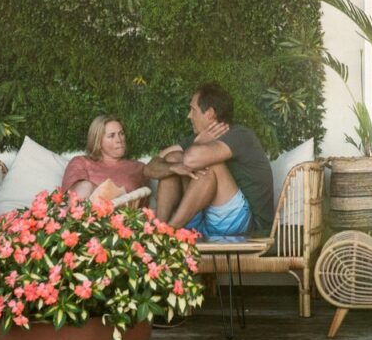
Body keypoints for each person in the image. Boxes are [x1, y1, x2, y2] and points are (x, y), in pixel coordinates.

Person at [144, 83, 273, 240]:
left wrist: (197, 144)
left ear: (210, 113)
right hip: (204, 220)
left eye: (193, 110)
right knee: (173, 159)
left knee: (211, 165)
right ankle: (157, 231)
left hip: (246, 226)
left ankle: (168, 234)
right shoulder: (197, 138)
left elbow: (191, 160)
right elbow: (149, 169)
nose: (189, 116)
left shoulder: (240, 135)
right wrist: (174, 168)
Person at [60, 114, 148, 203]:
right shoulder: (81, 162)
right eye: (111, 136)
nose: (119, 140)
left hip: (125, 214)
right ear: (98, 141)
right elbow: (69, 199)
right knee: (85, 187)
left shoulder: (138, 167)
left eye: (121, 133)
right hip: (86, 214)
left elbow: (143, 205)